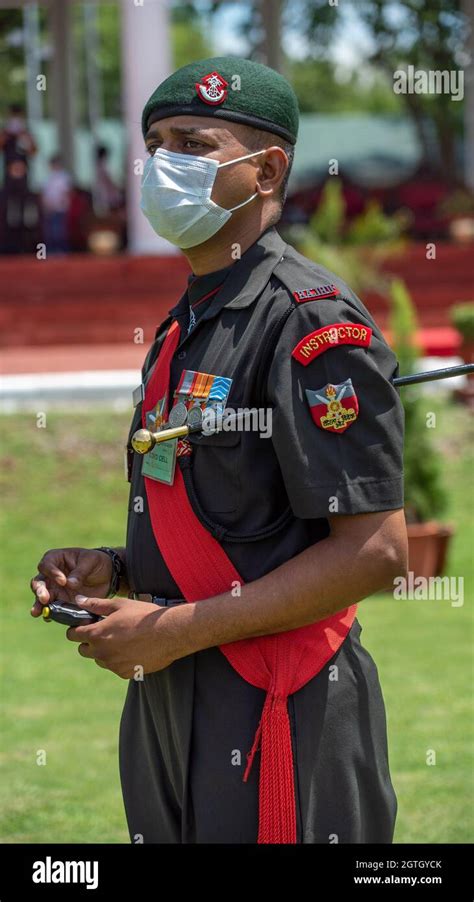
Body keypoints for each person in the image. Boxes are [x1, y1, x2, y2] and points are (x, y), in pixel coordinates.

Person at [30, 57, 407, 844]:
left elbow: (375, 552)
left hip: (278, 693)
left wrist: (172, 631)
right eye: (157, 143)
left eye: (193, 144)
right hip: (173, 686)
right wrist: (117, 566)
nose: (163, 163)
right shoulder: (187, 323)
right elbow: (238, 518)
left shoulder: (308, 321)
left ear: (267, 169)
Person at [41, 154, 72, 254]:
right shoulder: (48, 178)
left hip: (60, 209)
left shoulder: (64, 177)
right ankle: (50, 251)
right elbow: (44, 194)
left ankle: (61, 250)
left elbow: (66, 193)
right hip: (50, 209)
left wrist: (58, 204)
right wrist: (47, 205)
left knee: (59, 231)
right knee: (50, 232)